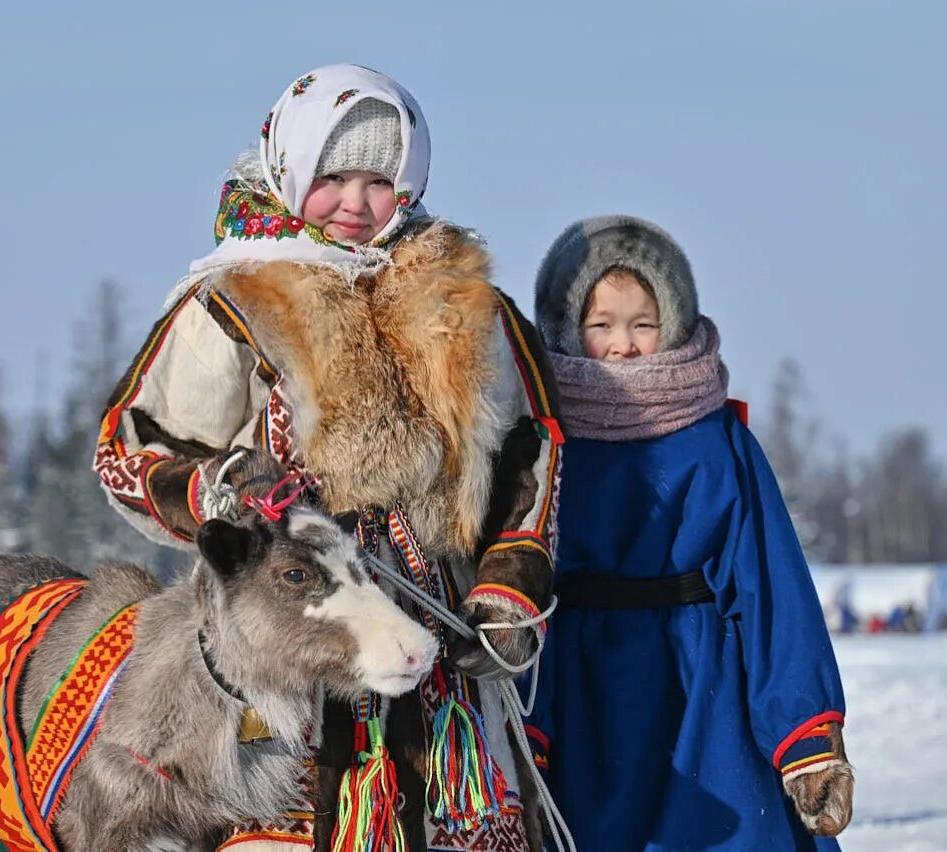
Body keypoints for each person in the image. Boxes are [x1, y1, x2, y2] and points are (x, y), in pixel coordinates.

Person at [92, 64, 561, 850]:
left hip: (435, 628)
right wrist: (216, 494)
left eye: (380, 181)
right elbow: (132, 447)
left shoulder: (464, 300)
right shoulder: (236, 298)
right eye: (332, 176)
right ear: (288, 166)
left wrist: (509, 585)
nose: (354, 202)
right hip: (284, 634)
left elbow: (529, 447)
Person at [525, 215, 854, 849]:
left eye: (642, 324)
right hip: (587, 688)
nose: (623, 344)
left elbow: (769, 587)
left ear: (672, 321)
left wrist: (807, 734)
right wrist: (525, 726)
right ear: (567, 327)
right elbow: (527, 591)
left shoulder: (717, 437)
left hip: (705, 686)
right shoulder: (544, 442)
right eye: (601, 326)